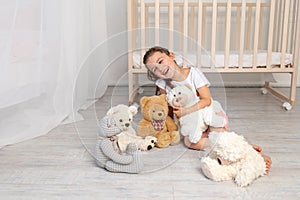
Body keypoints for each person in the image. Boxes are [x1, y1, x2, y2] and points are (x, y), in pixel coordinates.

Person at [143, 46, 272, 173]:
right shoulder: (163, 84)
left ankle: (248, 151)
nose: (160, 68)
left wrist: (186, 111)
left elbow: (206, 100)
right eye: (155, 69)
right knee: (190, 142)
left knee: (218, 134)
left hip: (209, 116)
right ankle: (225, 150)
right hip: (192, 124)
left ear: (171, 56)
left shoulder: (193, 73)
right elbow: (168, 110)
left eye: (160, 62)